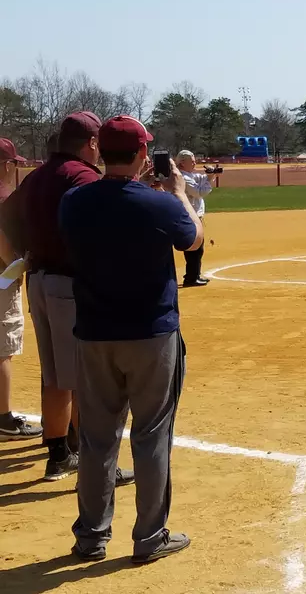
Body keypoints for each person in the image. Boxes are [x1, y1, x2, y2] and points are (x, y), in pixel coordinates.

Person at [60, 115, 203, 564]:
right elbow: (194, 241)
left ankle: (91, 536)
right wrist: (178, 192)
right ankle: (149, 537)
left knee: (97, 439)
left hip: (94, 332)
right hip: (150, 333)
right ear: (144, 155)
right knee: (151, 434)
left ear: (99, 151)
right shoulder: (159, 204)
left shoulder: (74, 201)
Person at [0, 112, 133, 484]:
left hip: (39, 281)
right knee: (88, 378)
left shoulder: (39, 175)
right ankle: (94, 463)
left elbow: (4, 218)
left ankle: (60, 455)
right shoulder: (83, 176)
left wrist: (18, 258)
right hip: (70, 286)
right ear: (92, 144)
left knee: (57, 376)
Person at [0, 139, 41, 440]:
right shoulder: (4, 195)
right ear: (6, 165)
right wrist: (12, 263)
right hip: (0, 279)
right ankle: (3, 418)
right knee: (2, 349)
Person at [175, 150, 214, 288]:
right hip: (190, 215)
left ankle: (194, 275)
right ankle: (191, 277)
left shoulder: (188, 175)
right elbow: (198, 192)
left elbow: (199, 178)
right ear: (182, 163)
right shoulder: (183, 177)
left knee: (198, 247)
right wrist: (209, 179)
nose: (194, 162)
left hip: (194, 214)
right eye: (191, 161)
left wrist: (210, 174)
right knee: (195, 248)